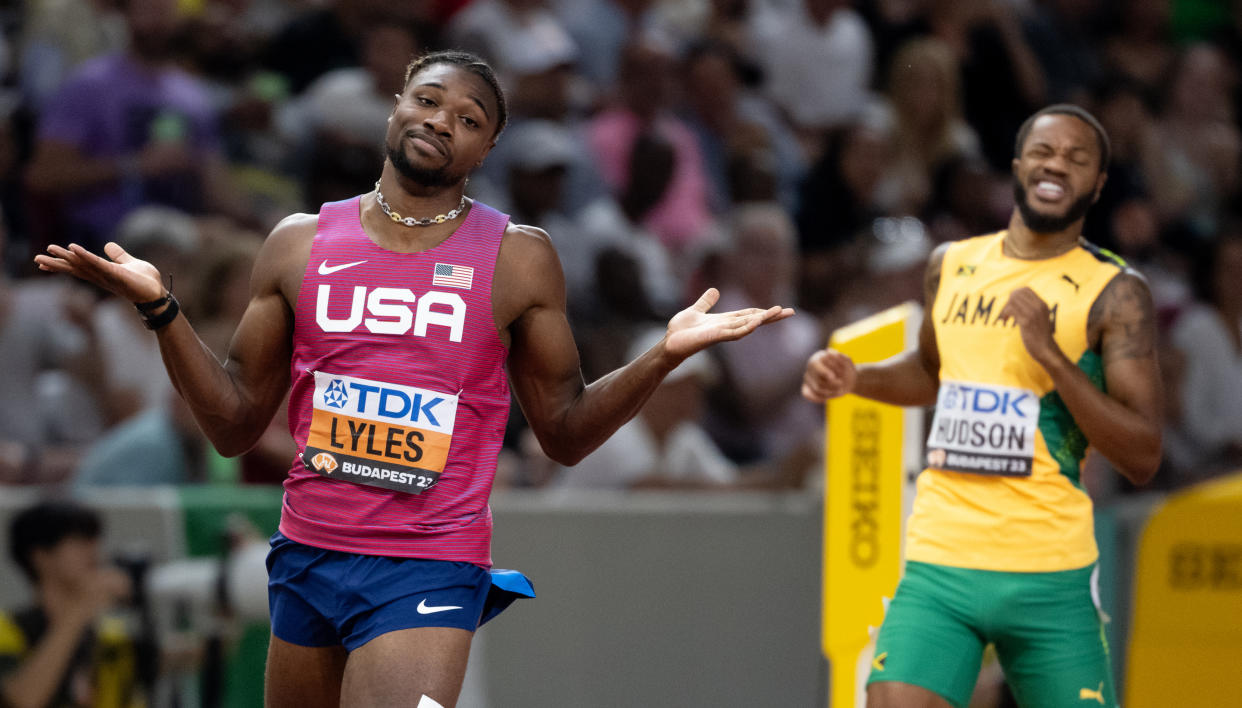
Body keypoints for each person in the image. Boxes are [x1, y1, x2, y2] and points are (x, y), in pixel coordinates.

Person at [35, 50, 793, 708]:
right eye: (428, 100)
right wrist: (164, 310)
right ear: (396, 106)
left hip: (428, 562)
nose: (441, 120)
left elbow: (563, 432)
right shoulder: (299, 244)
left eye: (467, 118)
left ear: (486, 147)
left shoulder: (519, 258)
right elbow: (234, 424)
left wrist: (660, 357)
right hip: (307, 555)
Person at [802, 104, 1162, 708]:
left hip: (1050, 572)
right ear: (1018, 166)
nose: (1057, 166)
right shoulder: (953, 265)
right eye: (1045, 152)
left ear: (1098, 185)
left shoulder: (1116, 293)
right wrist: (855, 378)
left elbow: (1144, 453)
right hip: (943, 562)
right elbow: (931, 372)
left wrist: (1051, 358)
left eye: (1078, 160)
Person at [0, 500, 137, 708]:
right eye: (78, 540)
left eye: (94, 539)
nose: (93, 550)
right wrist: (80, 608)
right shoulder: (8, 630)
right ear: (40, 556)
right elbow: (21, 699)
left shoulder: (108, 633)